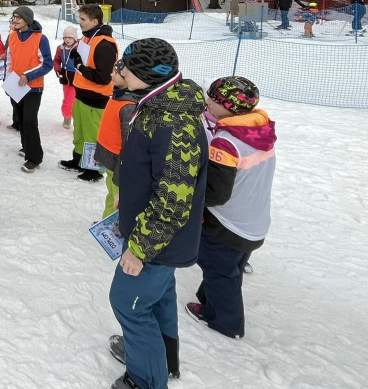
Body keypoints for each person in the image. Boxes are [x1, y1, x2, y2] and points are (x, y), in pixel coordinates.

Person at [107, 38, 207, 389]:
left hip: (156, 240)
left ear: (146, 73)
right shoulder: (155, 103)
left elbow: (173, 200)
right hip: (152, 233)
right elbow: (151, 169)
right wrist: (127, 193)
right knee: (159, 297)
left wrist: (139, 248)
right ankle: (160, 358)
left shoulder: (173, 121)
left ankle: (146, 379)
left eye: (126, 65)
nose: (119, 70)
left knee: (129, 304)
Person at [187, 76, 276, 341]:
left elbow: (215, 193)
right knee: (232, 265)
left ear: (229, 107)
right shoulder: (258, 130)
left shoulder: (226, 142)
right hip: (254, 220)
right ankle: (209, 298)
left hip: (228, 224)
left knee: (219, 270)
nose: (208, 102)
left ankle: (226, 322)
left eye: (213, 99)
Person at [63, 4, 119, 182]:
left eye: (82, 19)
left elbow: (103, 78)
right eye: (79, 18)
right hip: (81, 95)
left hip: (96, 99)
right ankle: (78, 160)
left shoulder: (104, 44)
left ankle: (94, 170)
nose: (79, 23)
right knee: (79, 132)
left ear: (95, 21)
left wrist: (79, 66)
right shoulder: (88, 38)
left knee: (92, 136)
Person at [7, 6, 53, 174]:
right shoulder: (12, 36)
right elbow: (9, 61)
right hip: (15, 86)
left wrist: (28, 75)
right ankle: (26, 147)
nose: (15, 20)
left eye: (19, 17)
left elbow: (47, 64)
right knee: (20, 119)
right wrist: (8, 82)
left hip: (33, 88)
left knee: (29, 121)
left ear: (27, 19)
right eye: (14, 17)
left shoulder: (40, 38)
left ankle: (34, 158)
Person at [94, 65, 141, 219]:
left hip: (119, 164)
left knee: (118, 199)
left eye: (116, 72)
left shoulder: (128, 106)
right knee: (111, 193)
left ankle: (114, 229)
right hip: (111, 162)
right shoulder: (118, 96)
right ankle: (106, 222)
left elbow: (128, 143)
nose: (111, 73)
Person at [55, 25, 79, 129]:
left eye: (70, 37)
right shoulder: (61, 48)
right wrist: (57, 69)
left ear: (74, 38)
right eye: (65, 37)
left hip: (77, 77)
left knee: (76, 100)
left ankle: (76, 120)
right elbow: (56, 60)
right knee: (67, 99)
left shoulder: (80, 47)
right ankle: (67, 116)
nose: (67, 40)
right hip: (65, 76)